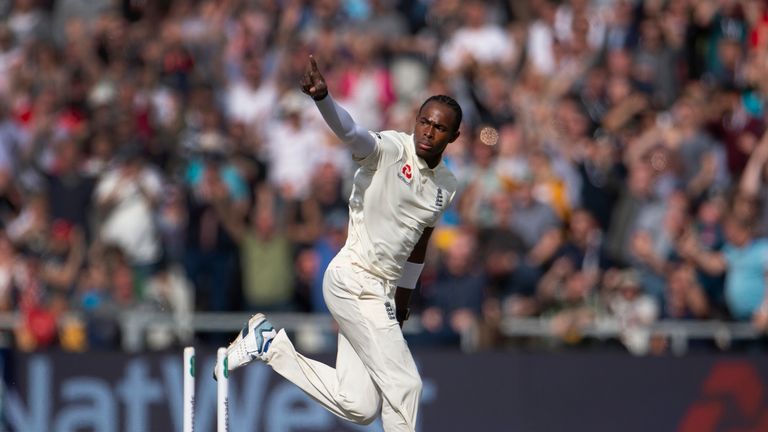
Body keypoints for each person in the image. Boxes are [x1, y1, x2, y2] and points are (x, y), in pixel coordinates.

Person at [220, 55, 461, 432]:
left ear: (453, 137)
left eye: (439, 128)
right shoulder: (393, 149)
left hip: (380, 294)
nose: (428, 132)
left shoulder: (446, 187)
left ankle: (268, 345)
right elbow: (352, 133)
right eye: (424, 122)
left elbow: (419, 244)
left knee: (360, 405)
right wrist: (323, 100)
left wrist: (404, 298)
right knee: (406, 385)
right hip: (354, 279)